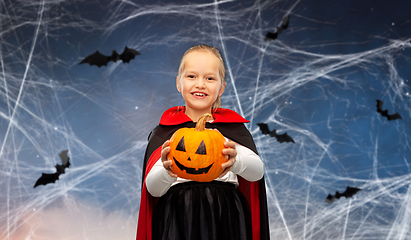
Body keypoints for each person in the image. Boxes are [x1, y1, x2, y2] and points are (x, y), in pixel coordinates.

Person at [136, 45, 270, 240]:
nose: (200, 84)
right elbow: (152, 189)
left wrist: (236, 161)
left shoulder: (232, 130)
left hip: (225, 215)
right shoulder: (166, 134)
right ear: (178, 84)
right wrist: (167, 170)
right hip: (177, 217)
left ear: (221, 87)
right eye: (191, 77)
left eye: (209, 78)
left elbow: (257, 172)